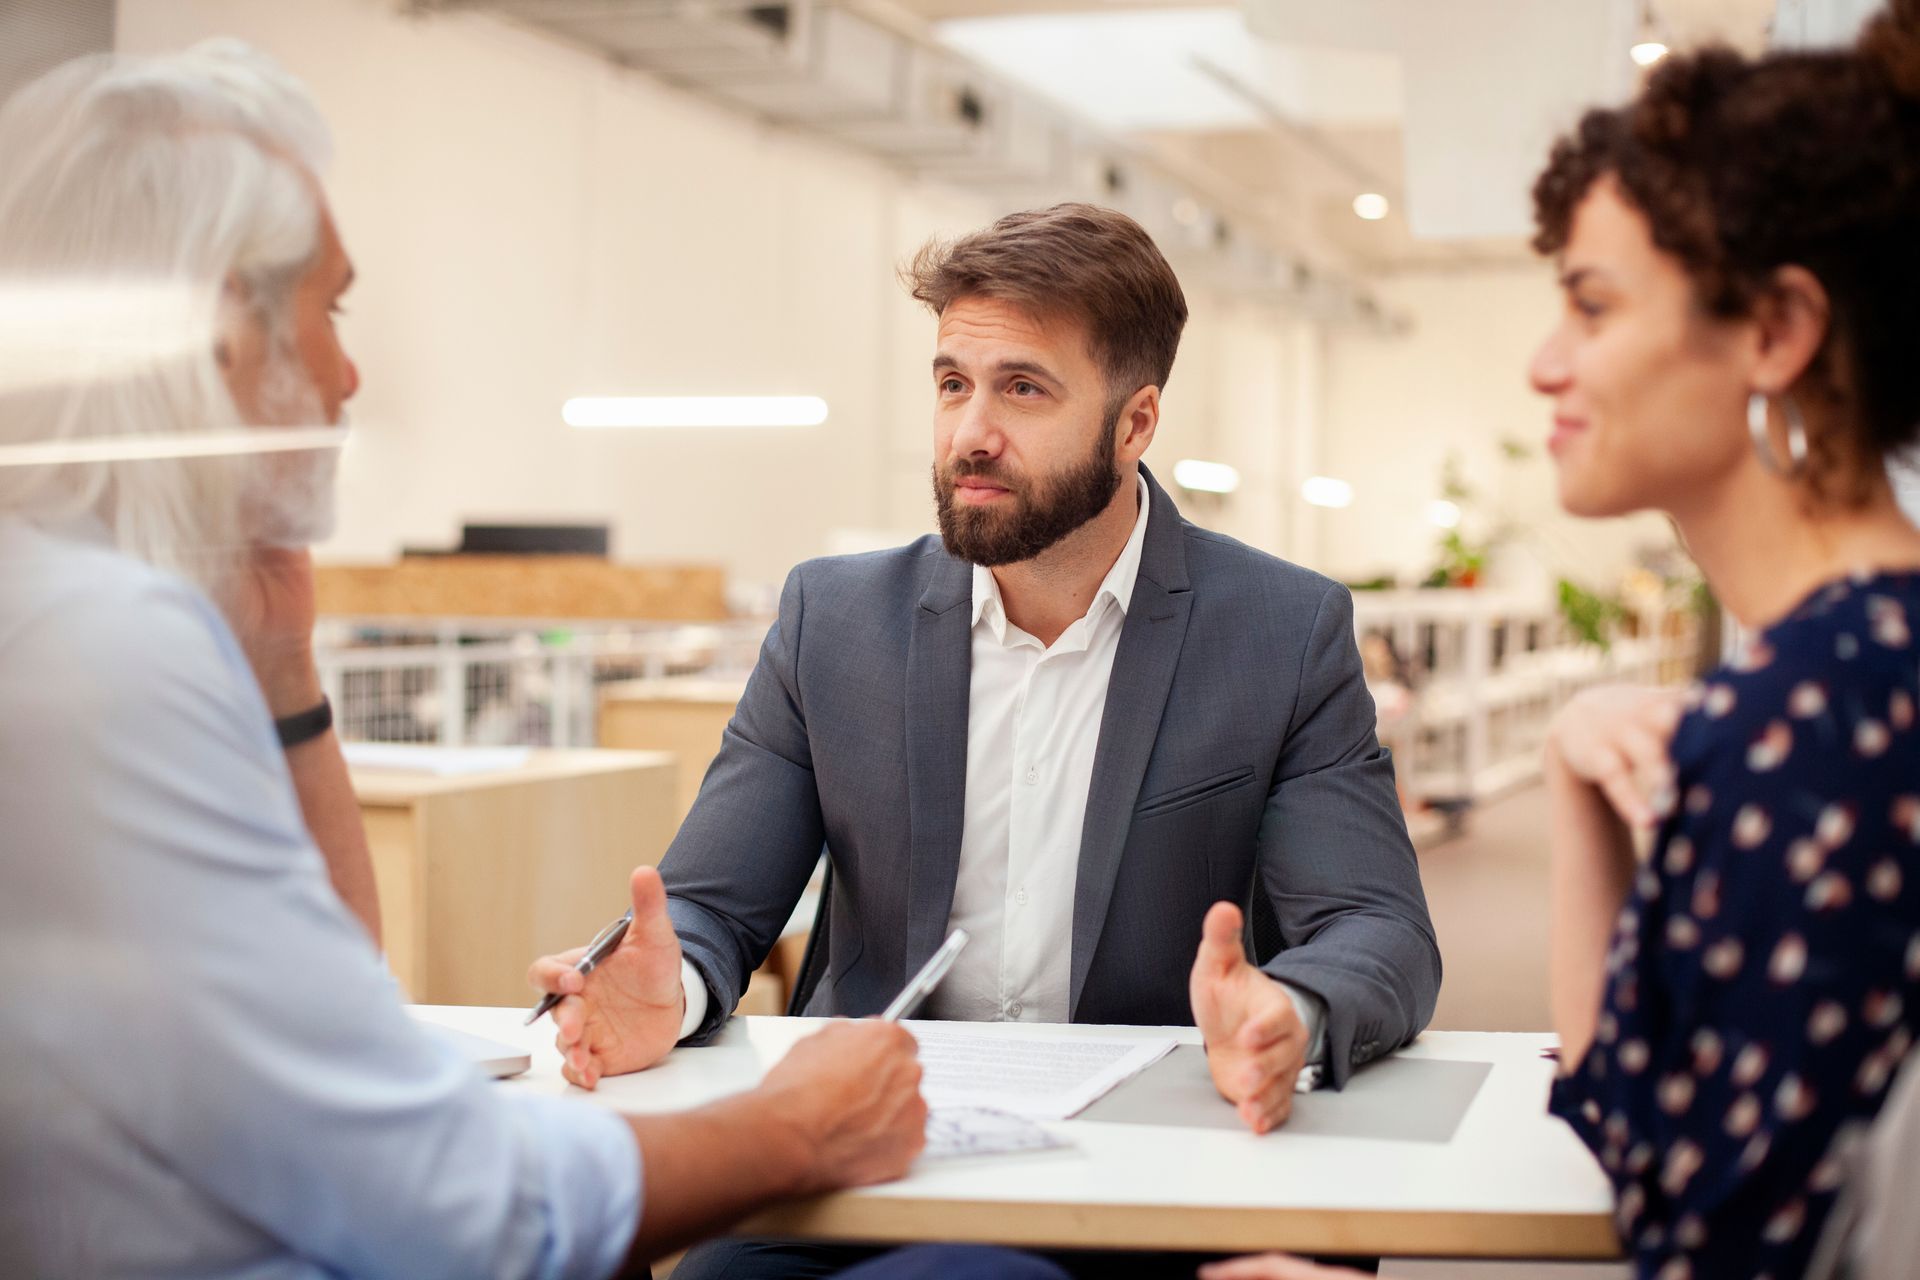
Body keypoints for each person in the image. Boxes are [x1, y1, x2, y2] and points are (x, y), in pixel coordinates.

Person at [0, 41, 1061, 1280]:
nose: (347, 376)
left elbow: (335, 1021)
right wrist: (795, 1126)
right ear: (219, 329)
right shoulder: (107, 649)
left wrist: (287, 673)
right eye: (328, 312)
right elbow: (458, 1210)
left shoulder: (77, 613)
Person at [530, 203, 1439, 1279]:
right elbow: (714, 901)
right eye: (953, 382)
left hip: (1153, 1169)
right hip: (872, 1153)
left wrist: (1288, 1008)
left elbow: (1377, 927)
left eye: (1023, 388)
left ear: (1136, 422)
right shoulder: (835, 621)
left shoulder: (1281, 632)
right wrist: (668, 981)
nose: (970, 431)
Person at [1200, 3, 1920, 1277]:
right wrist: (1586, 786)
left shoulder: (1820, 727)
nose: (1545, 362)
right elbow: (1639, 1127)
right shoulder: (1832, 678)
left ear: (1773, 331)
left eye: (1591, 306)